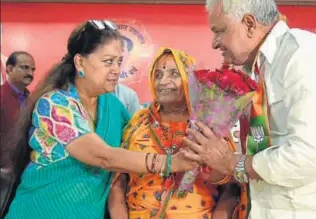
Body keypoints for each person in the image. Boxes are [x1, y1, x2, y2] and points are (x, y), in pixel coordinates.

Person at [182, 0, 316, 219]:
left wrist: (231, 162)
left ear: (249, 24)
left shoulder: (303, 54)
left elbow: (307, 157)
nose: (215, 43)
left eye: (219, 31)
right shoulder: (260, 68)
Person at [4, 21, 197, 219]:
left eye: (119, 62)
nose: (116, 69)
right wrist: (173, 163)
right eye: (108, 61)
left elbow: (133, 150)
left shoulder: (114, 106)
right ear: (80, 63)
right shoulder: (54, 105)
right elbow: (104, 157)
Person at [108, 47, 235, 219]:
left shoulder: (209, 125)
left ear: (191, 80)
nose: (162, 82)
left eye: (174, 74)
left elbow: (231, 188)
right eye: (158, 75)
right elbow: (118, 182)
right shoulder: (138, 123)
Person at [0, 51, 35, 167]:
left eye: (32, 69)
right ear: (9, 69)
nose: (30, 73)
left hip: (25, 165)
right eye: (24, 68)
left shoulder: (33, 99)